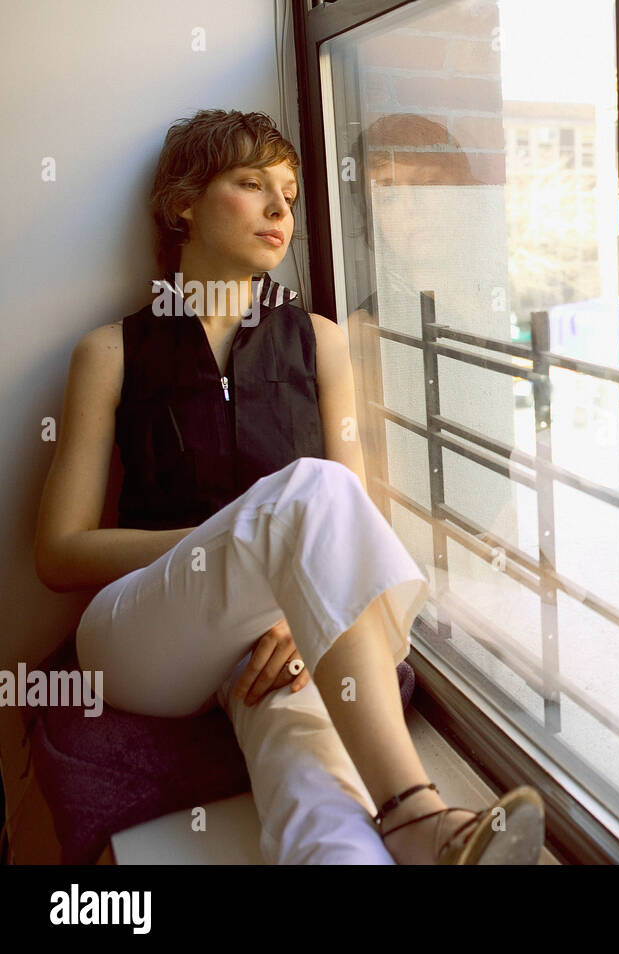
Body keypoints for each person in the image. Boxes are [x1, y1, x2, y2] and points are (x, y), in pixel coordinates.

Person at [31, 108, 544, 865]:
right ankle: (416, 810)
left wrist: (297, 612)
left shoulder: (320, 341)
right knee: (310, 491)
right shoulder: (110, 352)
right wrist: (253, 550)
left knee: (312, 775)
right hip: (141, 633)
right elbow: (59, 553)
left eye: (292, 194)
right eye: (251, 185)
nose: (282, 211)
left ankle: (383, 843)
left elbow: (351, 517)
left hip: (272, 637)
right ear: (183, 205)